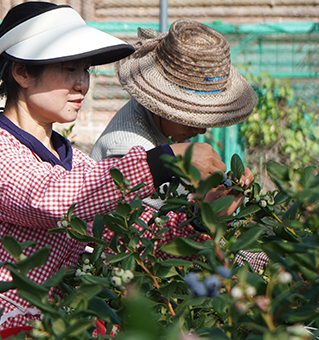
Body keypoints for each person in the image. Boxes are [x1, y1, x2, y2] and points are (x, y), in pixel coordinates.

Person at [0, 2, 247, 339]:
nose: (82, 84)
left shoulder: (74, 162)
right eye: (69, 68)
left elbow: (131, 235)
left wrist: (204, 216)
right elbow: (48, 200)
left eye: (85, 70)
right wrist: (164, 160)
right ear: (22, 72)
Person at [90, 20, 267, 270]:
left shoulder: (153, 125)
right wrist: (203, 217)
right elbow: (145, 245)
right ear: (160, 104)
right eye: (191, 118)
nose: (201, 129)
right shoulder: (128, 149)